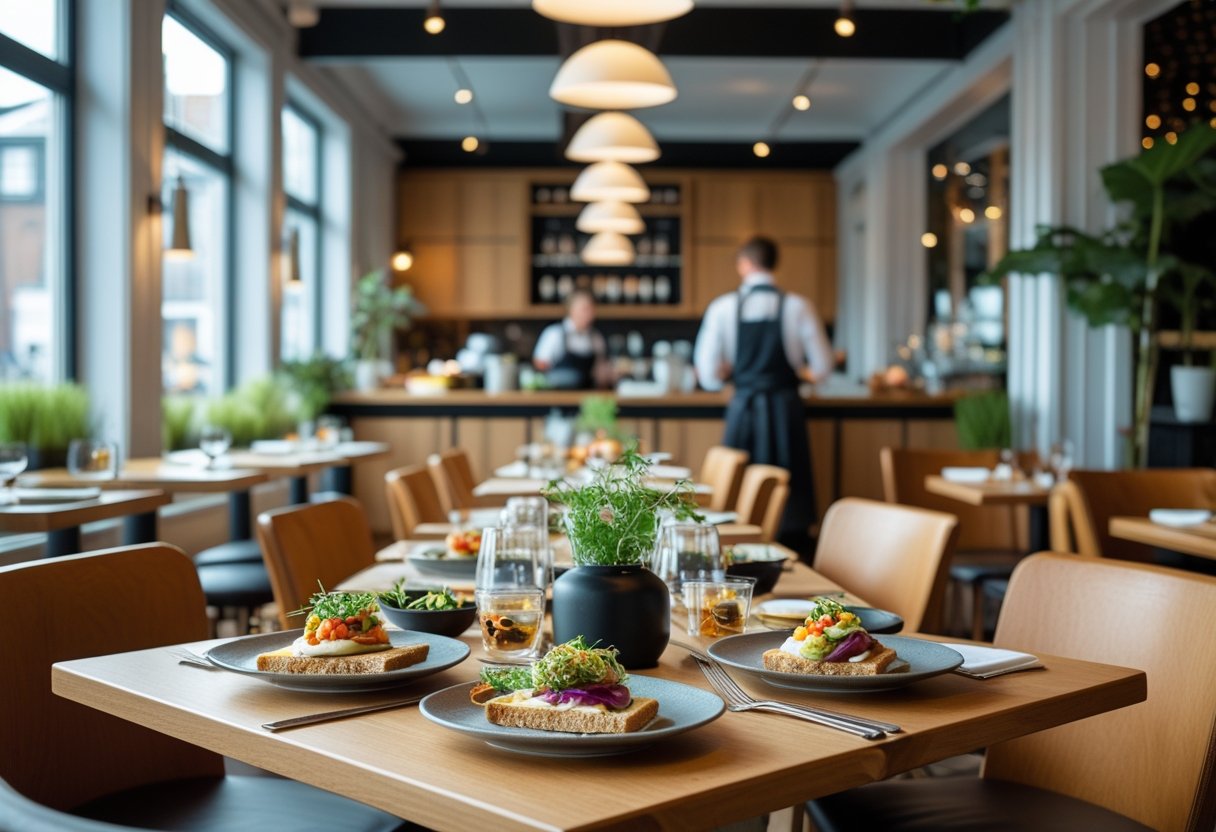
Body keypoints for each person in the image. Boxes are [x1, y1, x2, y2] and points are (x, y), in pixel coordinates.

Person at [693, 235, 833, 556]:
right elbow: (823, 367)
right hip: (786, 407)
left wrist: (726, 373)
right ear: (774, 263)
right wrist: (801, 372)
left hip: (743, 407)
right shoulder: (798, 306)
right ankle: (791, 554)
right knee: (790, 490)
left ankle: (735, 550)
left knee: (737, 491)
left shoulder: (723, 307)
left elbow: (709, 375)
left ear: (744, 265)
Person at [532, 290, 610, 389]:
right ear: (572, 310)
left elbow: (600, 368)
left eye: (592, 309)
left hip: (587, 395)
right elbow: (540, 363)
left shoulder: (595, 337)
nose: (590, 314)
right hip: (557, 394)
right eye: (585, 309)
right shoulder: (554, 333)